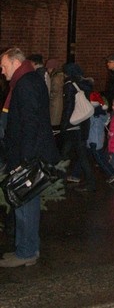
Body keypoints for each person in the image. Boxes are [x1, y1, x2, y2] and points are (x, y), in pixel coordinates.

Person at [0, 47, 59, 267]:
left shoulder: (25, 83)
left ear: (15, 63)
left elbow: (31, 124)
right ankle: (27, 249)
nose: (2, 71)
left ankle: (26, 252)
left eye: (4, 66)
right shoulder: (27, 80)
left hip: (27, 158)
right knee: (27, 203)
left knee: (24, 204)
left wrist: (23, 162)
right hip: (28, 155)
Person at [60, 63, 96, 192]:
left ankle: (90, 182)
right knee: (75, 152)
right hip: (83, 123)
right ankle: (88, 181)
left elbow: (69, 106)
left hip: (73, 124)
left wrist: (64, 124)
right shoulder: (84, 84)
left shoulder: (70, 85)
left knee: (74, 153)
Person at [87, 91, 114, 184]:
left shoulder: (94, 115)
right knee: (93, 156)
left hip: (94, 140)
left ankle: (112, 173)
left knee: (100, 159)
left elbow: (91, 126)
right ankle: (75, 174)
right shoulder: (101, 113)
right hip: (98, 139)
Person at [46, 58, 64, 131]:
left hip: (55, 104)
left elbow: (55, 91)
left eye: (49, 68)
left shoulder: (56, 78)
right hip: (57, 103)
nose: (47, 70)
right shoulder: (59, 76)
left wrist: (48, 96)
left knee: (54, 125)